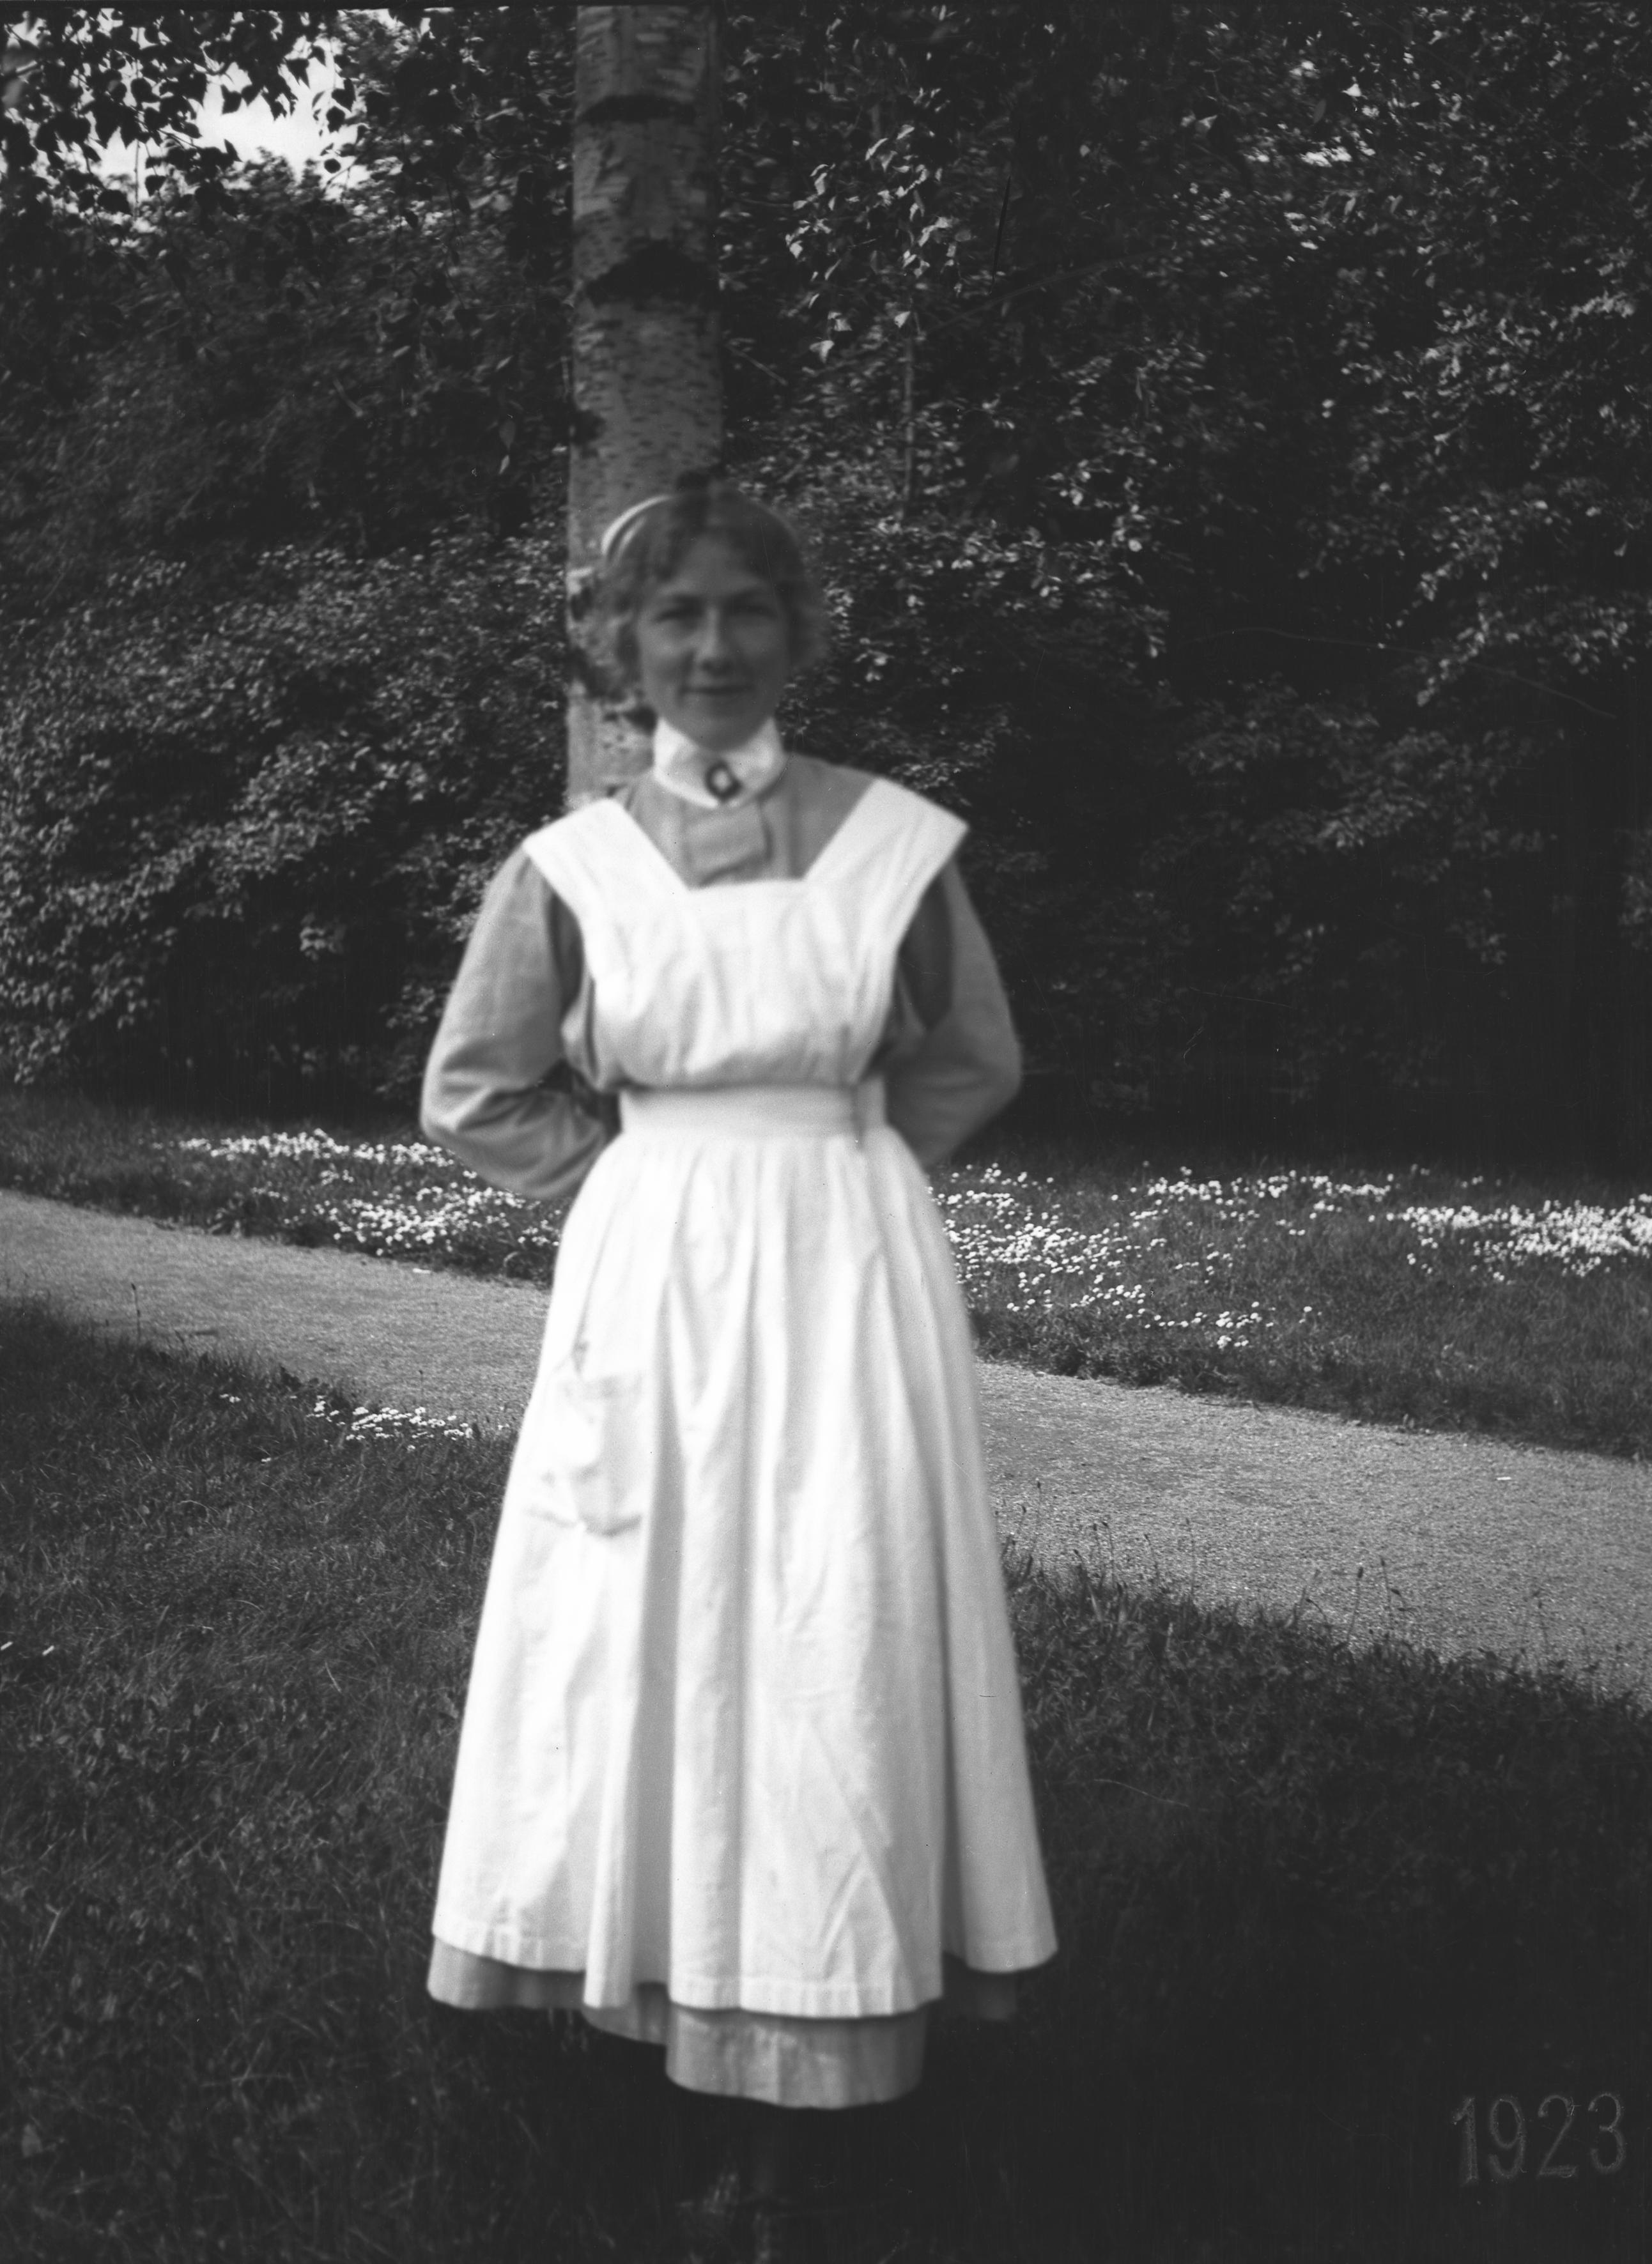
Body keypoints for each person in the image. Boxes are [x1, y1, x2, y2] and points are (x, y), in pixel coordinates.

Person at [419, 472, 1056, 2254]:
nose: (712, 647)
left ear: (797, 635)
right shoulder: (570, 868)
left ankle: (817, 2070)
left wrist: (836, 1187)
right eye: (674, 615)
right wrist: (644, 1193)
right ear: (619, 649)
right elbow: (476, 1088)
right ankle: (668, 2004)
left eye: (745, 611)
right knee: (662, 1618)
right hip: (658, 1273)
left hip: (847, 1268)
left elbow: (970, 1056)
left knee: (836, 1611)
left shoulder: (892, 845)